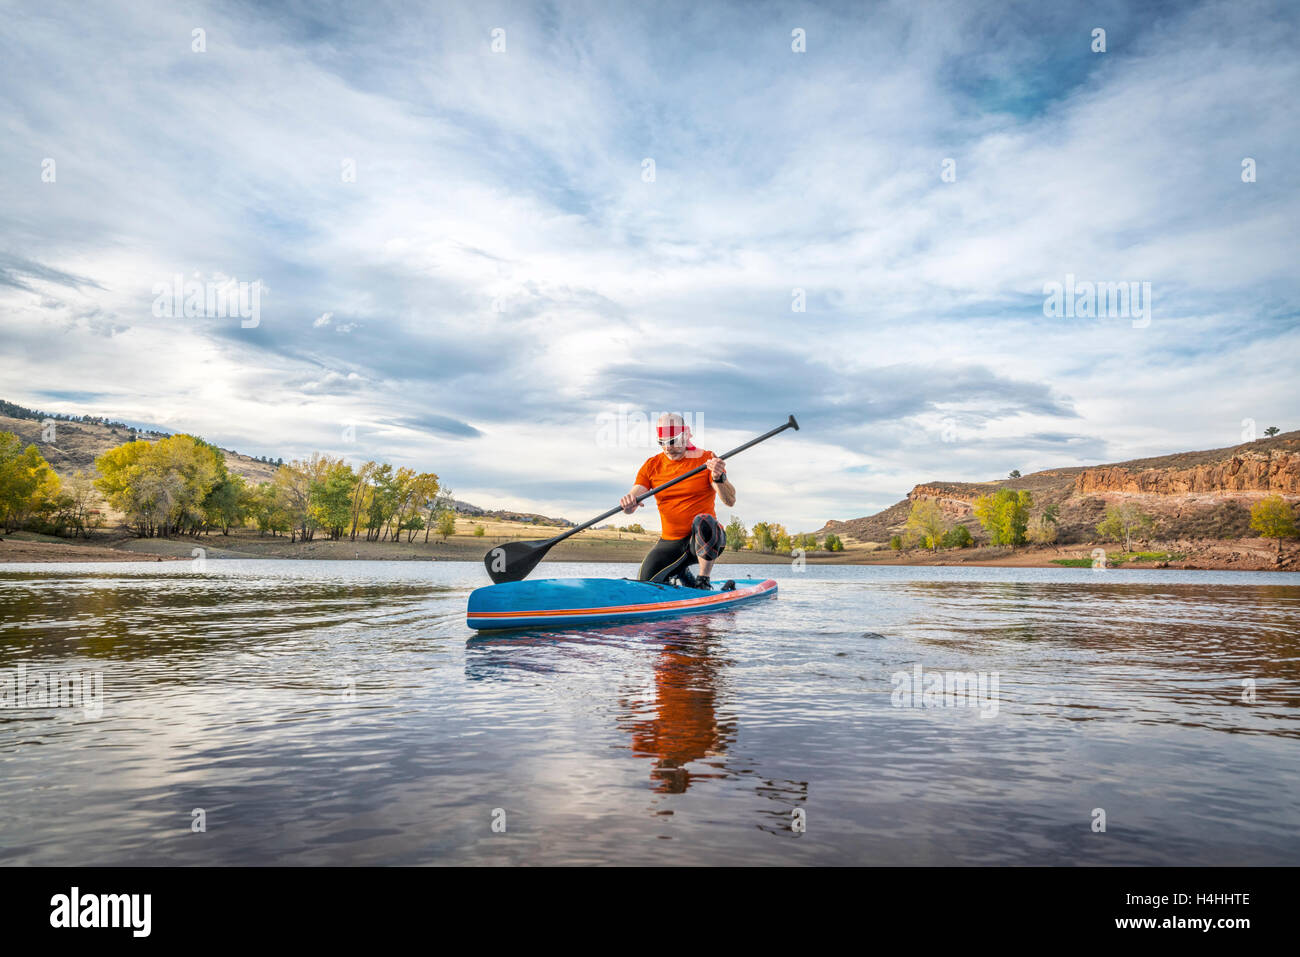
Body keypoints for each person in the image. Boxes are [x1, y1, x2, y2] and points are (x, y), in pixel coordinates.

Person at [619, 413, 735, 589]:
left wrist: (719, 478)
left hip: (705, 539)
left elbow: (730, 500)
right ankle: (682, 575)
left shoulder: (706, 459)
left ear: (686, 435)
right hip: (671, 542)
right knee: (645, 584)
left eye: (672, 441)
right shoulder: (652, 465)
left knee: (703, 520)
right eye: (661, 442)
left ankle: (703, 581)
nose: (667, 448)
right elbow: (632, 501)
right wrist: (628, 503)